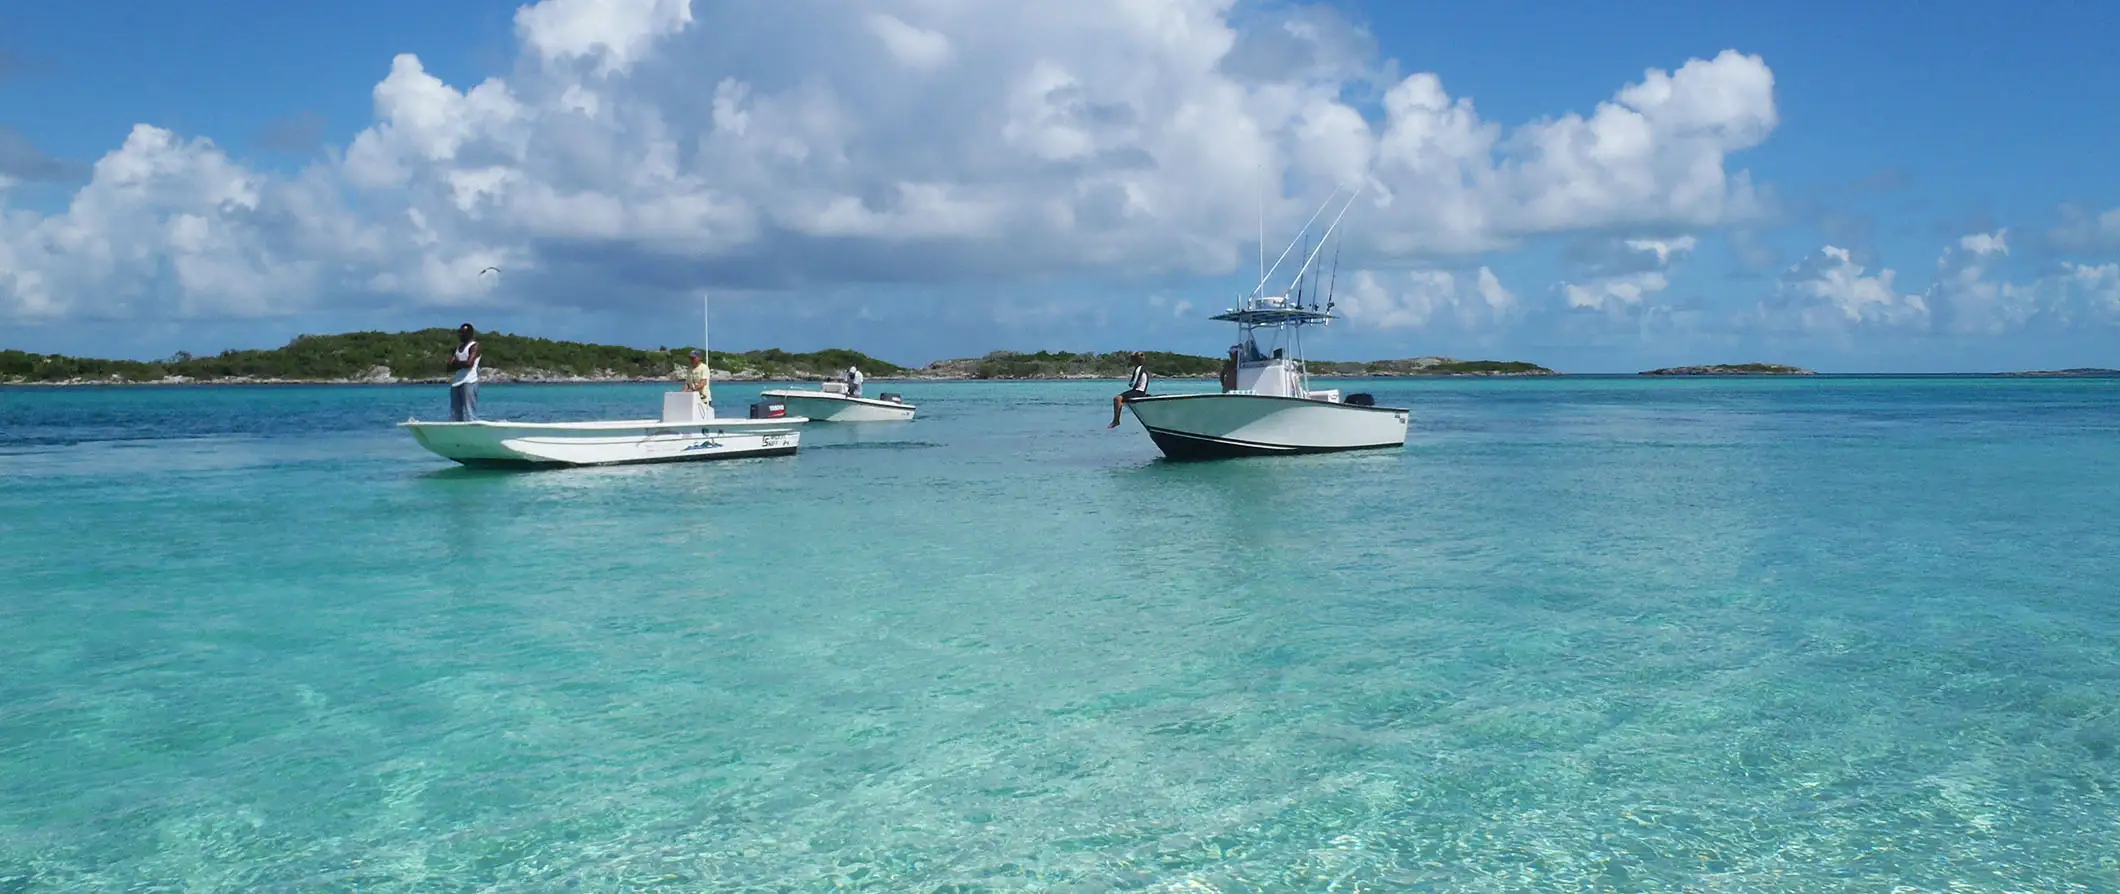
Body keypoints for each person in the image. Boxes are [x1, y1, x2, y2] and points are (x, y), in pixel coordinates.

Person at [446, 323, 481, 421]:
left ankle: (472, 430)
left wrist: (457, 363)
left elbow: (469, 364)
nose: (460, 335)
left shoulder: (474, 346)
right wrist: (459, 363)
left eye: (463, 333)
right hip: (457, 382)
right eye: (460, 333)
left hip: (469, 381)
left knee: (469, 410)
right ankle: (457, 431)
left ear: (469, 334)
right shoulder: (458, 347)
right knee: (455, 412)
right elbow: (450, 365)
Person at [1108, 351, 1149, 428]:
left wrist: (1130, 383)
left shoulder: (1139, 369)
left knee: (1117, 398)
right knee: (1119, 398)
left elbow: (1133, 383)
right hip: (1140, 391)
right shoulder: (1143, 368)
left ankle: (1116, 421)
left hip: (1138, 391)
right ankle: (1116, 420)